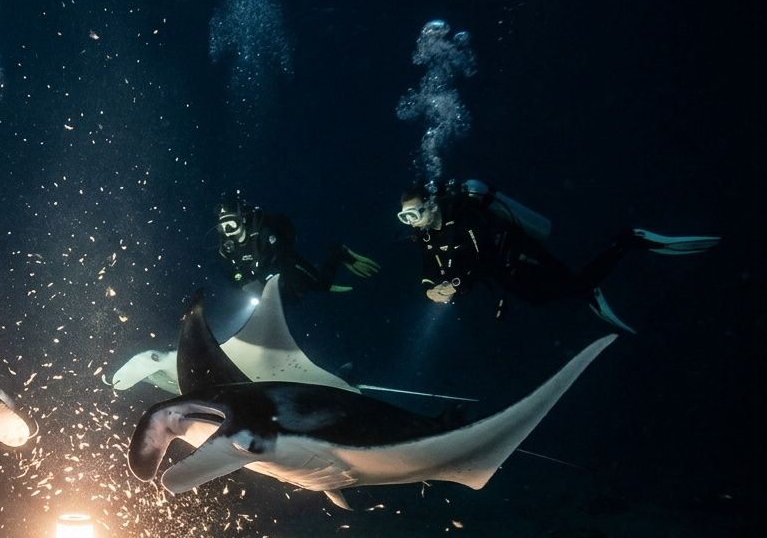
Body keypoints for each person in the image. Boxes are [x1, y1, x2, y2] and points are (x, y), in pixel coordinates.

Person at [397, 178, 720, 332]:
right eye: (405, 217)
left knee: (575, 285)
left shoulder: (462, 218)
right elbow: (430, 266)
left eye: (415, 213)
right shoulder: (425, 235)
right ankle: (589, 288)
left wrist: (456, 285)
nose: (412, 222)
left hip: (521, 256)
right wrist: (430, 288)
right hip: (505, 276)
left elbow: (480, 255)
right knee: (545, 298)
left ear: (432, 204)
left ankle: (629, 241)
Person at [214, 194, 379, 300]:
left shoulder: (262, 234)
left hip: (285, 264)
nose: (228, 231)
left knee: (322, 284)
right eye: (223, 227)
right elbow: (231, 272)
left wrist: (278, 276)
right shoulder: (226, 248)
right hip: (265, 279)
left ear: (242, 220)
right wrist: (242, 282)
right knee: (292, 299)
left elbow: (282, 253)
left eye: (232, 224)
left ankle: (338, 253)